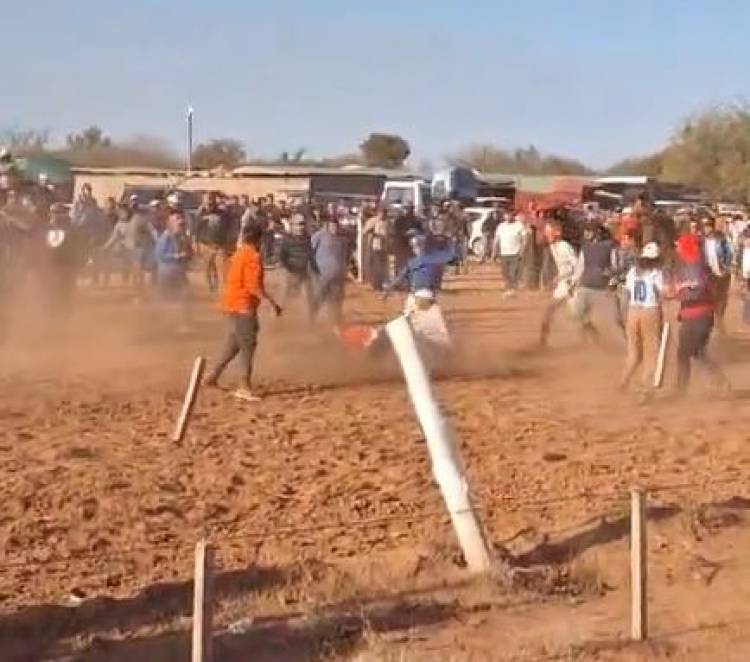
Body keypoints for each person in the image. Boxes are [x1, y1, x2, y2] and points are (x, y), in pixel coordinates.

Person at [205, 225, 282, 402]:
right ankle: (244, 385)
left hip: (231, 304)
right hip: (243, 306)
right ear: (259, 240)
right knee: (248, 345)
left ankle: (212, 377)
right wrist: (271, 302)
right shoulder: (253, 256)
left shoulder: (239, 253)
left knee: (234, 344)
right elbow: (253, 285)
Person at [673, 233, 730, 394]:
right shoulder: (685, 267)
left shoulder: (699, 267)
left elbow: (700, 290)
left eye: (680, 246)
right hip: (689, 315)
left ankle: (683, 388)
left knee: (690, 352)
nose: (677, 249)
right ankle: (718, 382)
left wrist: (682, 289)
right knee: (693, 353)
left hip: (700, 314)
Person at [620, 242, 665, 400]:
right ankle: (645, 389)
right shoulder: (656, 273)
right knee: (651, 352)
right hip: (649, 311)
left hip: (633, 311)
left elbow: (626, 293)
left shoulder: (633, 272)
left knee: (633, 352)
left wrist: (624, 314)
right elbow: (661, 293)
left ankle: (623, 381)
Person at [570, 221, 617, 341]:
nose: (586, 234)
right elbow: (580, 266)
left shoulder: (609, 246)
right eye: (586, 231)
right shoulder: (585, 248)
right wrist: (573, 282)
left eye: (589, 231)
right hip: (586, 284)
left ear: (597, 233)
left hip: (602, 287)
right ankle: (590, 332)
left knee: (612, 319)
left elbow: (615, 265)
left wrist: (612, 280)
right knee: (577, 313)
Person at [539, 220, 578, 347]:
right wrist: (558, 278)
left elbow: (577, 266)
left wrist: (566, 279)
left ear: (557, 233)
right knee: (549, 311)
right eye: (546, 233)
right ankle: (542, 342)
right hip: (563, 284)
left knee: (578, 318)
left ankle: (596, 341)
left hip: (571, 285)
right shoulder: (552, 247)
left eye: (549, 232)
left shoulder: (564, 246)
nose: (546, 235)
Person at [154, 209, 193, 330]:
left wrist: (188, 255)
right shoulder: (165, 237)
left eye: (181, 221)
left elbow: (189, 252)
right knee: (169, 299)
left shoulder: (182, 237)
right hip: (167, 273)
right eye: (177, 220)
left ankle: (183, 324)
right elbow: (159, 255)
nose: (181, 223)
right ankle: (168, 324)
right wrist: (176, 256)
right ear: (170, 223)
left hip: (179, 272)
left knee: (184, 296)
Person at [310, 217, 350, 324]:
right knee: (318, 297)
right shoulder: (319, 236)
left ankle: (335, 322)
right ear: (327, 226)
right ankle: (311, 320)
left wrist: (345, 270)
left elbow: (346, 255)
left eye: (336, 226)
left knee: (337, 299)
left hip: (338, 275)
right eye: (332, 226)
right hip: (321, 274)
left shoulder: (343, 239)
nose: (334, 229)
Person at [279, 213, 315, 318]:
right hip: (290, 272)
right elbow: (282, 256)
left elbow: (310, 254)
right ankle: (282, 321)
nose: (301, 227)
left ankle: (308, 323)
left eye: (303, 224)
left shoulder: (307, 238)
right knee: (286, 298)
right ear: (292, 225)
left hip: (304, 272)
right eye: (298, 224)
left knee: (308, 299)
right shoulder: (287, 239)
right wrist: (288, 268)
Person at [701, 217, 733, 332]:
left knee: (722, 296)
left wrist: (725, 266)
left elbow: (729, 253)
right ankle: (714, 316)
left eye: (708, 226)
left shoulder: (721, 238)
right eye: (705, 226)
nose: (706, 229)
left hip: (723, 273)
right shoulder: (703, 240)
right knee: (712, 295)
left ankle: (720, 316)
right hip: (710, 273)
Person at [496, 213, 527, 295]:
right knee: (505, 273)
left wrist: (521, 251)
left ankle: (513, 289)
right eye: (506, 215)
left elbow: (524, 239)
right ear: (504, 216)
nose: (508, 216)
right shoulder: (501, 226)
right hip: (504, 253)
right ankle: (508, 288)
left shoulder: (519, 225)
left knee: (513, 272)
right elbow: (497, 240)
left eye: (509, 215)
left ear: (512, 216)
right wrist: (494, 252)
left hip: (515, 253)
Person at [362, 207, 389, 291]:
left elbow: (389, 234)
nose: (383, 215)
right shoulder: (373, 221)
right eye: (381, 213)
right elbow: (364, 231)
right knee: (376, 266)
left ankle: (380, 283)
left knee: (383, 267)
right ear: (378, 213)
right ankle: (376, 285)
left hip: (384, 247)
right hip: (375, 246)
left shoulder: (387, 223)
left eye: (384, 213)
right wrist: (373, 233)